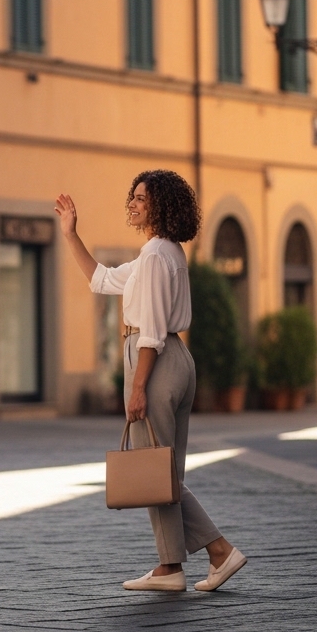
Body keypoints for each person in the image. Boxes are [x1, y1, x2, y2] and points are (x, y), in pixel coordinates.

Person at [54, 170, 246, 592]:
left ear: (162, 205)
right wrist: (70, 234)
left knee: (156, 471)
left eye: (142, 198)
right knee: (165, 471)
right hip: (172, 360)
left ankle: (201, 556)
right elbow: (102, 279)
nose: (133, 203)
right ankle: (184, 562)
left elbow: (153, 332)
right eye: (134, 196)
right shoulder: (158, 253)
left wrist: (138, 387)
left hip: (155, 361)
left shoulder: (157, 255)